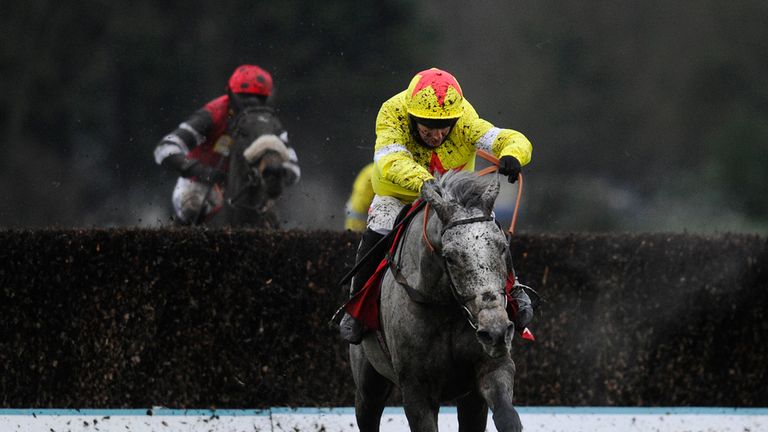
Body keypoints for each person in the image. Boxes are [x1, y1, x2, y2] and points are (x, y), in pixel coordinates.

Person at [339, 67, 534, 344]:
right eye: (428, 127)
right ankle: (355, 310)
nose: (437, 135)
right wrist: (427, 183)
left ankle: (514, 293)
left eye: (444, 127)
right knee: (379, 226)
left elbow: (508, 137)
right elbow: (390, 161)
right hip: (400, 194)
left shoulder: (464, 117)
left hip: (453, 199)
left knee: (488, 229)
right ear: (412, 116)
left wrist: (513, 154)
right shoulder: (391, 112)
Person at [154, 64, 301, 225]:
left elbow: (294, 169)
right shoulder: (213, 114)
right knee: (193, 208)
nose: (251, 104)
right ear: (230, 95)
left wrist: (276, 174)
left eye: (257, 98)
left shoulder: (268, 123)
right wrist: (203, 171)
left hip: (247, 188)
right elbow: (165, 149)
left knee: (271, 218)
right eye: (244, 98)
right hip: (201, 183)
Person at [344, 162, 375, 232]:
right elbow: (364, 201)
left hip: (353, 210)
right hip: (359, 216)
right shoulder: (378, 172)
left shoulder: (371, 168)